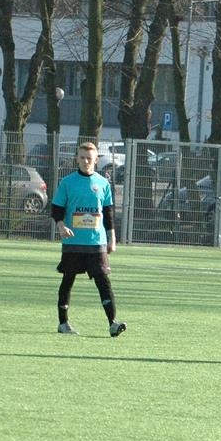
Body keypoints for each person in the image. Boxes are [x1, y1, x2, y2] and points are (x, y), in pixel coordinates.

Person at [50, 141, 126, 337]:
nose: (85, 161)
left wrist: (112, 237)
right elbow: (57, 209)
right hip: (73, 242)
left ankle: (113, 323)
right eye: (82, 158)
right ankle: (63, 323)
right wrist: (61, 226)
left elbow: (108, 213)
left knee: (103, 281)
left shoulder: (103, 183)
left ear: (96, 160)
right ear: (77, 158)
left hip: (96, 242)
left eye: (89, 158)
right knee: (68, 279)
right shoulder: (67, 182)